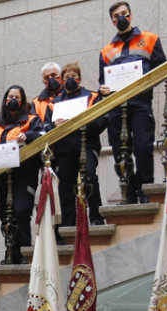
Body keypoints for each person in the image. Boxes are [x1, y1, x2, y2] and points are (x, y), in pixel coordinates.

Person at [99, 1, 166, 204]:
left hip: (140, 103)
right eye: (116, 16)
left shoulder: (150, 39)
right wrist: (103, 89)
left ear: (130, 15)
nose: (121, 18)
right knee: (120, 150)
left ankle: (145, 189)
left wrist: (145, 79)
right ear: (112, 21)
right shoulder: (106, 51)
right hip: (116, 107)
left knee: (143, 147)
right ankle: (127, 191)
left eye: (124, 14)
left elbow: (162, 68)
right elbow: (102, 81)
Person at [45, 62, 107, 227]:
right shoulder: (53, 104)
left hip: (86, 144)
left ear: (79, 79)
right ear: (62, 81)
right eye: (66, 77)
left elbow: (102, 120)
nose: (70, 79)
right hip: (64, 150)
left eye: (73, 76)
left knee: (89, 177)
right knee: (66, 186)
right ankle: (69, 224)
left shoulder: (92, 97)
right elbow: (45, 127)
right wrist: (54, 126)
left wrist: (85, 123)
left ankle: (96, 217)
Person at [0, 85, 44, 262]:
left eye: (17, 97)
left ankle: (24, 254)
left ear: (22, 100)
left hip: (24, 174)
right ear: (5, 100)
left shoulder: (32, 120)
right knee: (6, 216)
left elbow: (43, 134)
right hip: (2, 178)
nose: (13, 99)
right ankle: (10, 252)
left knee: (21, 211)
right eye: (10, 96)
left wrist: (29, 135)